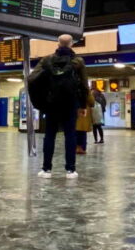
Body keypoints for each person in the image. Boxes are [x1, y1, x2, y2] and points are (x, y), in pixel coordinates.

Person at [29, 34, 89, 179]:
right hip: (70, 103)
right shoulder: (78, 61)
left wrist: (41, 101)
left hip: (52, 103)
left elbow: (31, 79)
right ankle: (70, 170)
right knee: (70, 135)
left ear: (57, 43)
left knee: (50, 135)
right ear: (71, 44)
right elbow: (84, 85)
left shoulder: (46, 60)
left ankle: (46, 170)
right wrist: (82, 105)